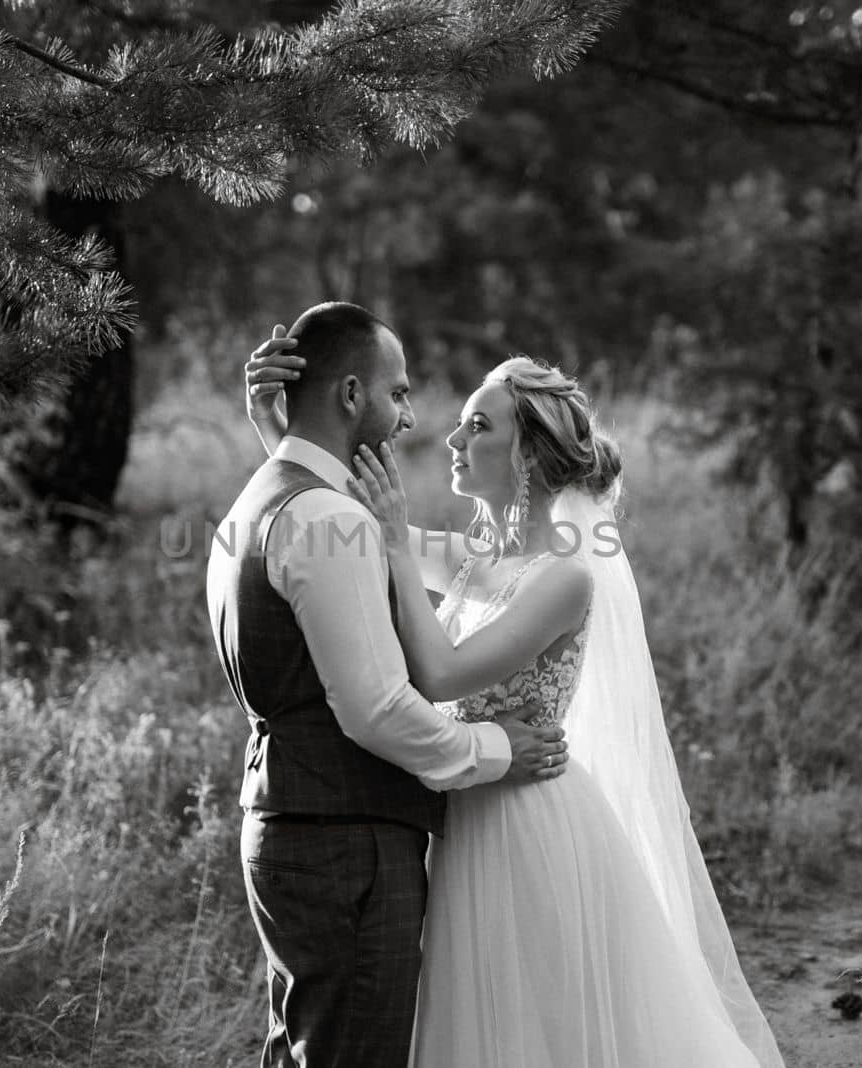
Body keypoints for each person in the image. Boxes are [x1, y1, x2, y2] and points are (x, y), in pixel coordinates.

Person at [244, 339, 786, 1067]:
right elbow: (345, 521)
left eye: (479, 426)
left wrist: (402, 550)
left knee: (538, 1025)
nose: (455, 439)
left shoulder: (565, 577)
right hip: (468, 809)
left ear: (527, 454)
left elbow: (440, 675)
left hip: (530, 820)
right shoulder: (472, 559)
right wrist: (276, 429)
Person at [206, 301, 570, 1068]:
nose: (411, 418)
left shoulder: (263, 502)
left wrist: (277, 427)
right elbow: (376, 709)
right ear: (349, 397)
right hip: (346, 844)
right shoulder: (321, 519)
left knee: (308, 1049)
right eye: (398, 393)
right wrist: (497, 748)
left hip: (294, 821)